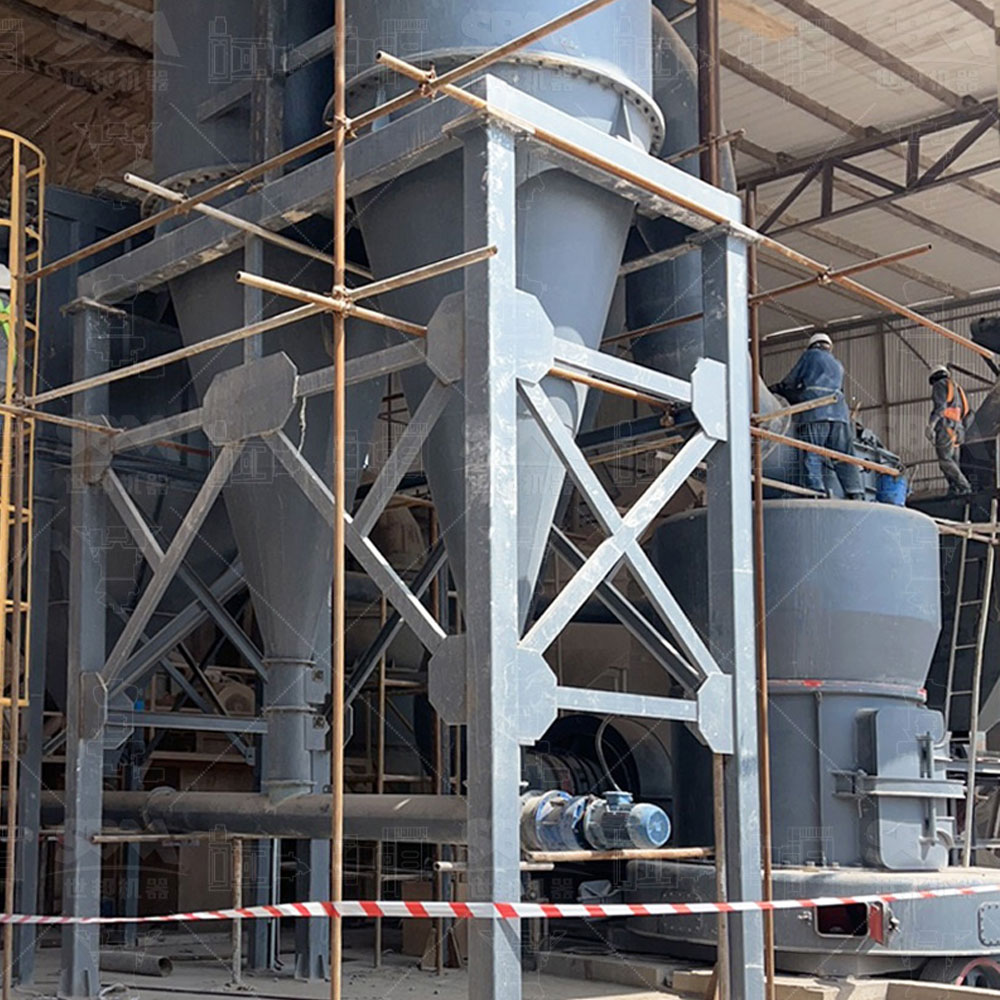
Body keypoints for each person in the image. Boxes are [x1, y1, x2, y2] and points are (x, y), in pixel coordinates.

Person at [769, 332, 864, 499]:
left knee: (812, 450)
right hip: (840, 415)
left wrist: (777, 389)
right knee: (843, 455)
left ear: (812, 345)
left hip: (816, 410)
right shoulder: (837, 364)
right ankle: (855, 491)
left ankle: (816, 489)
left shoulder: (811, 356)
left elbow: (792, 380)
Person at [926, 364, 972, 496]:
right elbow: (967, 412)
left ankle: (964, 487)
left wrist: (931, 425)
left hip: (946, 427)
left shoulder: (940, 385)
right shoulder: (957, 388)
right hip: (958, 429)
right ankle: (955, 489)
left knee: (945, 460)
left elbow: (940, 408)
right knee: (953, 462)